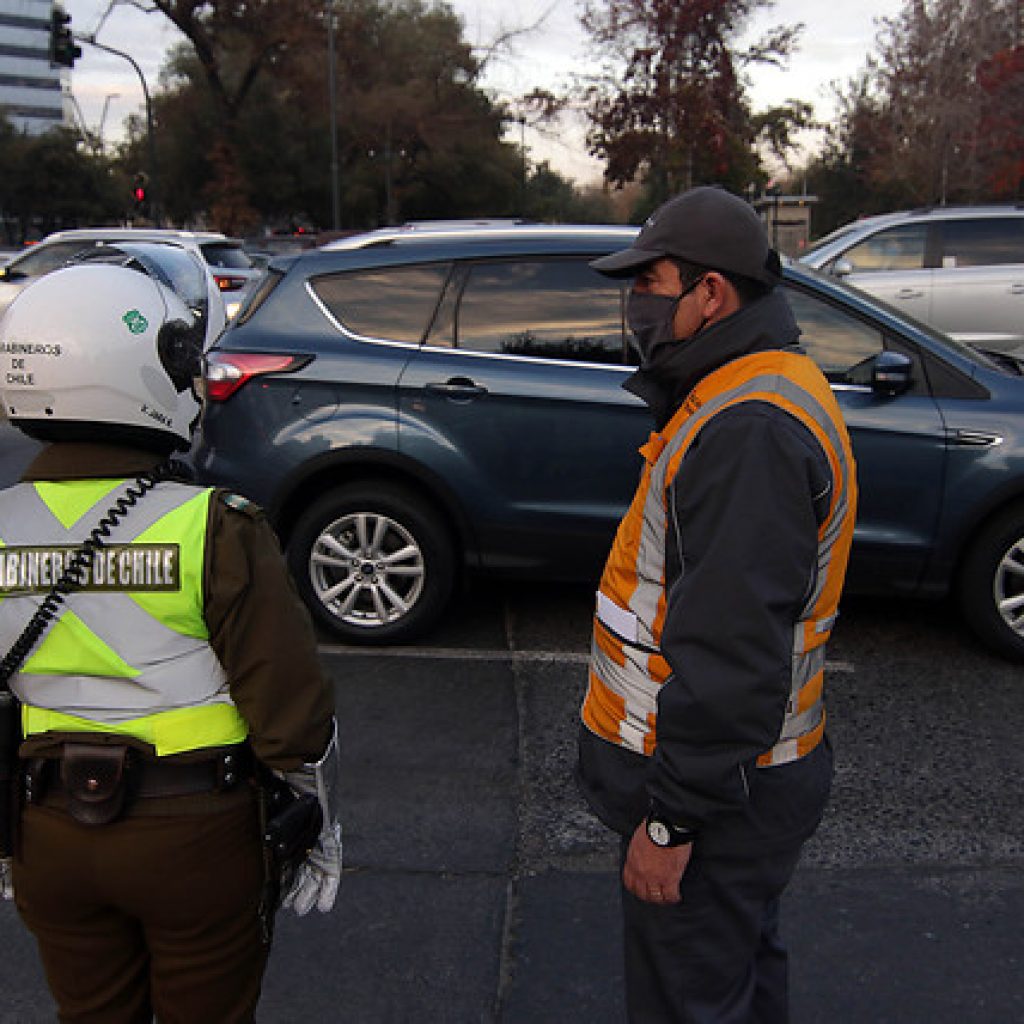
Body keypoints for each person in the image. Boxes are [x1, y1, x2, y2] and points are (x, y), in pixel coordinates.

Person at [0, 256, 341, 1023]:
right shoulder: (212, 523)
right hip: (195, 831)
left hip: (45, 830)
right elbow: (291, 711)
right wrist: (321, 814)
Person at [577, 186, 858, 1022]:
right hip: (746, 789)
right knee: (735, 983)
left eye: (652, 283)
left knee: (690, 1001)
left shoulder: (749, 426)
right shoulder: (747, 387)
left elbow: (732, 654)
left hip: (721, 804)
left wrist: (671, 826)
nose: (638, 305)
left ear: (711, 293)